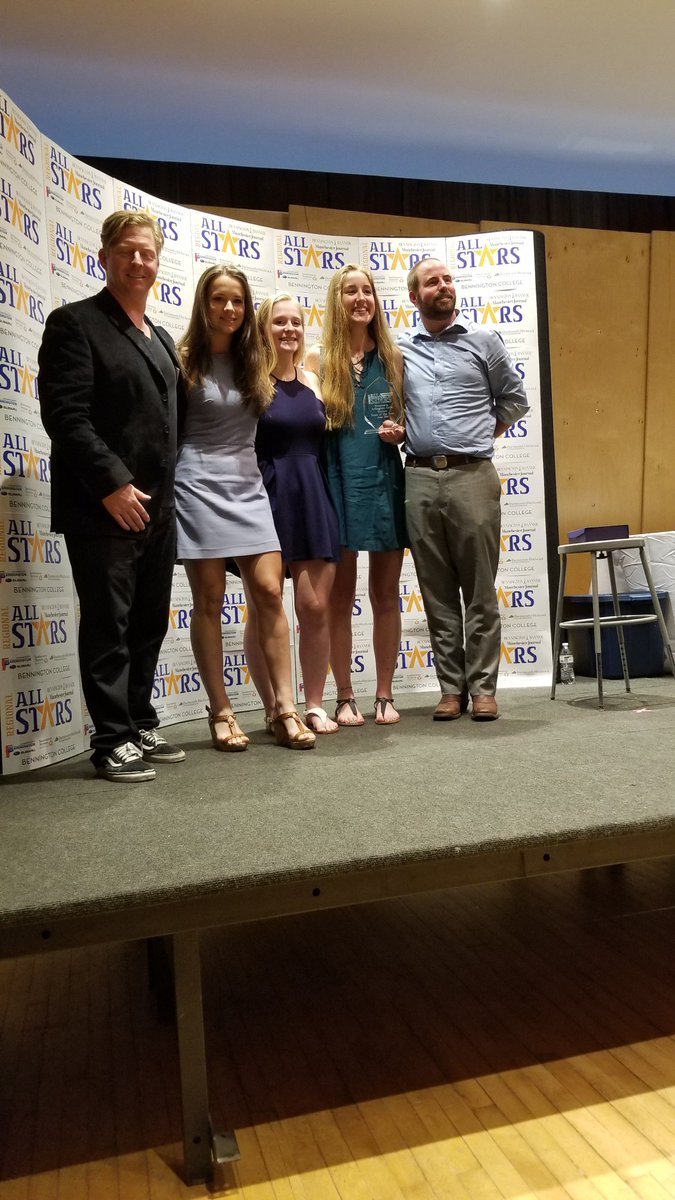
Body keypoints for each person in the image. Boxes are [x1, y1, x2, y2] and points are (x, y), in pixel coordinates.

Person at [37, 210, 186, 782]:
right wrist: (113, 485)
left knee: (148, 622)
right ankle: (111, 738)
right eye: (127, 251)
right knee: (109, 623)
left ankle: (140, 719)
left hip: (158, 508)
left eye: (148, 253)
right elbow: (67, 418)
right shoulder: (74, 323)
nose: (139, 261)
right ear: (105, 257)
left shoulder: (163, 338)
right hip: (104, 509)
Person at [175, 265, 315, 751]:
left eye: (237, 300)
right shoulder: (183, 359)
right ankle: (221, 711)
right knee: (210, 599)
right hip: (196, 484)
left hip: (247, 485)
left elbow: (308, 369)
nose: (229, 309)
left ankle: (284, 707)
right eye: (219, 299)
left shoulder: (256, 360)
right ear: (204, 303)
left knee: (270, 593)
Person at [394, 257, 530, 721]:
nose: (444, 287)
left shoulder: (483, 341)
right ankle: (451, 689)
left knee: (478, 587)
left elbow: (515, 399)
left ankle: (484, 688)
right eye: (433, 283)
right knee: (435, 590)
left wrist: (479, 436)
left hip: (473, 475)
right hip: (417, 476)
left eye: (449, 279)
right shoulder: (400, 349)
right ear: (415, 297)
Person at [305, 265, 405, 727]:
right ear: (336, 299)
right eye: (351, 291)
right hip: (336, 481)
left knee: (385, 594)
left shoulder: (394, 357)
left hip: (384, 480)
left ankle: (384, 694)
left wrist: (401, 431)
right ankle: (345, 695)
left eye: (367, 290)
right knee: (338, 597)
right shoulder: (316, 360)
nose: (361, 298)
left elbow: (412, 423)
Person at [244, 293, 341, 734]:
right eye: (279, 322)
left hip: (311, 495)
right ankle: (274, 706)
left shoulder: (315, 379)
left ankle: (316, 703)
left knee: (315, 606)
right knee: (263, 607)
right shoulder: (251, 381)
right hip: (263, 495)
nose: (289, 329)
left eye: (296, 322)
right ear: (264, 329)